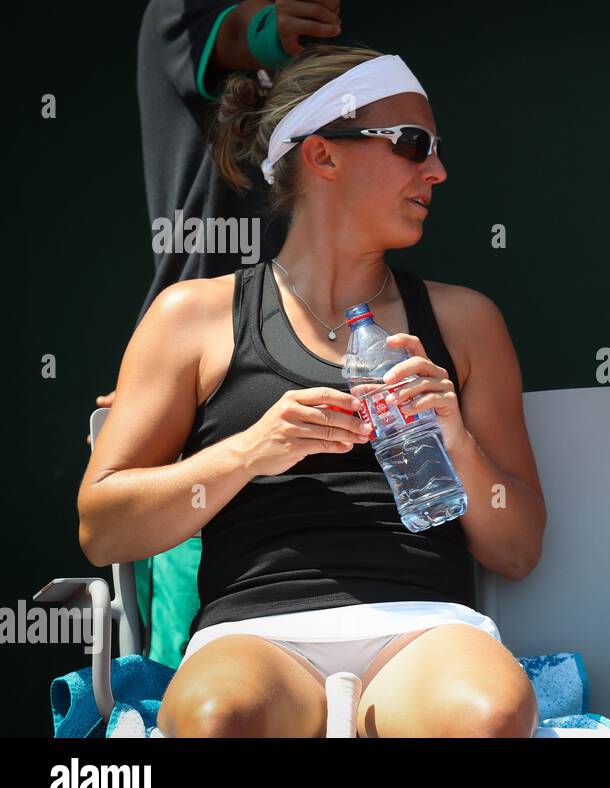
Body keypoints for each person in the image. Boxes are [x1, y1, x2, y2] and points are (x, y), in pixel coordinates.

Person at [77, 45, 546, 737]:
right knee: (213, 721)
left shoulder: (465, 321)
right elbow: (101, 528)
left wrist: (456, 440)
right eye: (413, 145)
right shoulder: (191, 316)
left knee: (492, 716)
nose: (437, 171)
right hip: (255, 635)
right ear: (323, 156)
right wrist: (250, 451)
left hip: (423, 632)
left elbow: (517, 550)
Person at [92, 0, 342, 417]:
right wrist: (272, 28)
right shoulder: (174, 12)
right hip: (203, 340)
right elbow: (248, 32)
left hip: (312, 328)